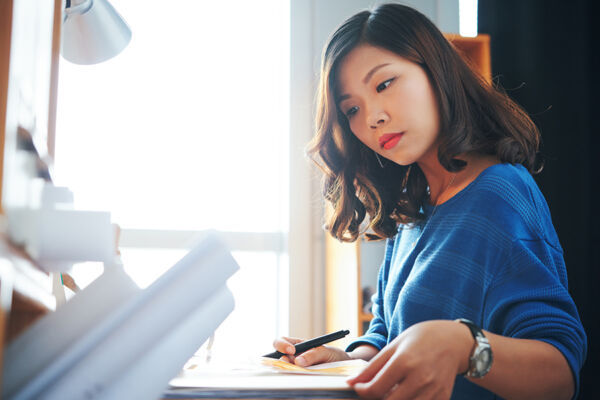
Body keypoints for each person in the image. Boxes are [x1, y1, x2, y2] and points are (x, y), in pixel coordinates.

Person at [272, 3, 587, 400]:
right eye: (351, 108)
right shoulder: (412, 210)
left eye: (384, 84)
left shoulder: (499, 196)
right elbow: (387, 332)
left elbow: (560, 373)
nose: (372, 117)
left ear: (436, 72)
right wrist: (344, 358)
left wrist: (465, 345)